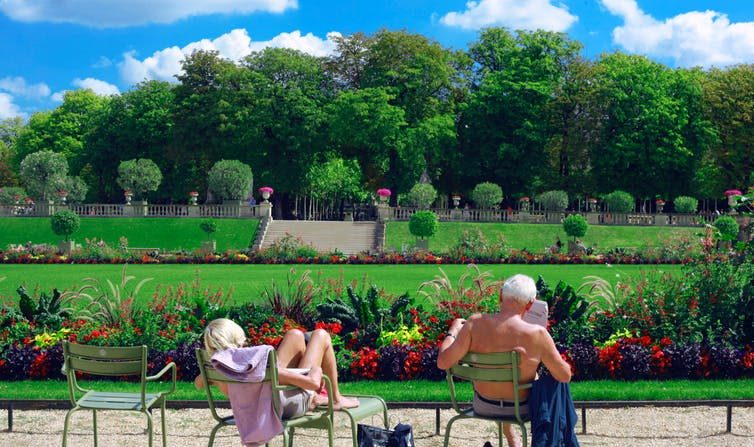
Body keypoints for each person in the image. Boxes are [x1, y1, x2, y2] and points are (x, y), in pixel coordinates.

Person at [437, 274, 574, 447]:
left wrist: (452, 332)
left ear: (501, 295)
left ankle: (512, 439)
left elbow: (443, 362)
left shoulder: (473, 324)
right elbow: (564, 376)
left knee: (503, 379)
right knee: (546, 383)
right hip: (521, 409)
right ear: (531, 304)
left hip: (483, 404)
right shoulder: (537, 334)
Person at [195, 318, 359, 417]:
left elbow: (198, 384)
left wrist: (208, 373)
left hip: (262, 404)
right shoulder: (249, 364)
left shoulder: (218, 367)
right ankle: (335, 399)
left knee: (294, 335)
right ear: (237, 337)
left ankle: (317, 398)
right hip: (281, 407)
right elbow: (311, 383)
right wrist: (316, 372)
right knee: (321, 335)